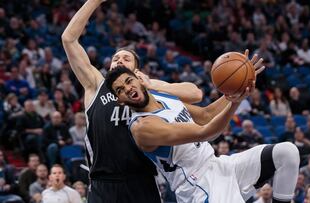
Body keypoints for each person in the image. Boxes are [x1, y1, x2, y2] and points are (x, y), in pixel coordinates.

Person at [61, 0, 204, 202]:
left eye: (126, 59)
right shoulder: (95, 84)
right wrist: (94, 2)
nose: (119, 60)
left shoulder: (148, 90)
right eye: (116, 58)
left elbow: (195, 95)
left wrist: (154, 85)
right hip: (104, 183)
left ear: (137, 72)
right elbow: (68, 39)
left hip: (143, 181)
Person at [105, 66, 299, 203]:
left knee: (287, 152)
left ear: (139, 80)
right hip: (198, 186)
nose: (128, 89)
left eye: (129, 81)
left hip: (220, 166)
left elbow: (206, 115)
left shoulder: (162, 96)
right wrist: (236, 102)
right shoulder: (142, 127)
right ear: (120, 100)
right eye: (120, 90)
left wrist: (239, 85)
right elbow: (206, 132)